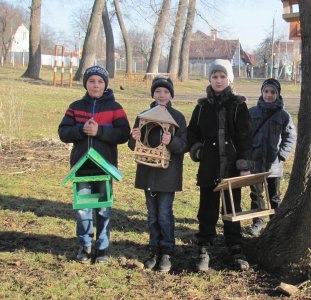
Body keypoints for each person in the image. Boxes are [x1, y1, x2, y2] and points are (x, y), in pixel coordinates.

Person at [58, 65, 131, 263]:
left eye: (100, 81)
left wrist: (100, 132)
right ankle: (85, 245)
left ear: (105, 84)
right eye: (91, 81)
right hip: (81, 166)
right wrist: (81, 130)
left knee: (103, 208)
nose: (96, 85)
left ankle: (103, 247)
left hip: (104, 166)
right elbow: (63, 132)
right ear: (86, 84)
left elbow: (124, 134)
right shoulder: (75, 106)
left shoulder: (115, 108)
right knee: (83, 207)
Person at [187, 59, 253, 271]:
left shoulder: (238, 105)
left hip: (232, 166)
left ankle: (235, 247)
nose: (218, 80)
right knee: (207, 208)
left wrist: (244, 163)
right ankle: (203, 247)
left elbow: (245, 137)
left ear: (229, 79)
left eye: (222, 76)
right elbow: (192, 132)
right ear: (210, 79)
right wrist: (197, 150)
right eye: (215, 76)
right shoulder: (202, 107)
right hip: (208, 166)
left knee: (232, 208)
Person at [128, 76, 187, 273]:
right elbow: (134, 145)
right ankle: (154, 249)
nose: (161, 95)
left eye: (166, 92)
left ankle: (167, 251)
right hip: (147, 173)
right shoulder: (143, 115)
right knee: (152, 215)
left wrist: (171, 141)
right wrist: (133, 137)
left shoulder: (177, 117)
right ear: (152, 94)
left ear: (171, 95)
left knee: (164, 214)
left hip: (167, 175)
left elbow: (183, 146)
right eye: (158, 91)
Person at [245, 78, 297, 236]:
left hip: (273, 164)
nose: (269, 95)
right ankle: (258, 223)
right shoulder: (252, 112)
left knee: (274, 195)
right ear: (261, 93)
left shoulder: (283, 115)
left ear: (278, 94)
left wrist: (281, 155)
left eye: (273, 92)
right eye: (266, 91)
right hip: (254, 162)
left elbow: (290, 136)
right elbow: (244, 135)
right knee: (256, 194)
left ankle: (275, 223)